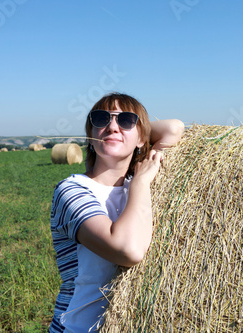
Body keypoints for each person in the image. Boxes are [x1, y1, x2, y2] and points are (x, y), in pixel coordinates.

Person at [49, 93, 184, 332]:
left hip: (124, 325)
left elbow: (173, 128)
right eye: (101, 119)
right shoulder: (71, 191)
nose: (112, 126)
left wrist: (137, 133)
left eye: (125, 120)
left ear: (143, 137)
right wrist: (141, 183)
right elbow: (127, 250)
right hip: (77, 327)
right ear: (90, 137)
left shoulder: (135, 184)